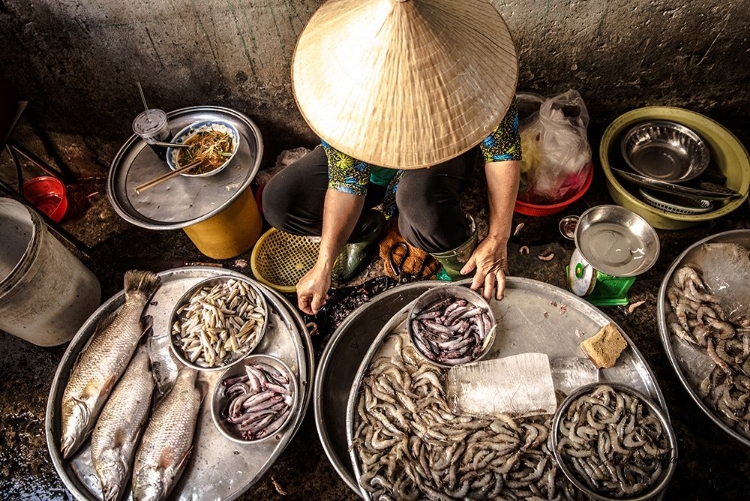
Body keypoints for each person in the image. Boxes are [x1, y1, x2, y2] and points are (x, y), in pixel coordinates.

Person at [263, 0, 521, 315]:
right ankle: (366, 228)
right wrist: (324, 265)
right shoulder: (348, 92)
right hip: (375, 171)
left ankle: (462, 264)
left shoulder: (475, 71)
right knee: (280, 201)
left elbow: (502, 153)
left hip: (441, 156)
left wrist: (498, 236)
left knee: (417, 204)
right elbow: (347, 182)